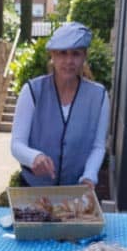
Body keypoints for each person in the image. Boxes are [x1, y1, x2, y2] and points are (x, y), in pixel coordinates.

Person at [10, 21, 109, 189]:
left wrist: (89, 176)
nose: (69, 60)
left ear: (84, 56)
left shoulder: (99, 96)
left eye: (76, 54)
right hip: (34, 189)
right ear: (53, 56)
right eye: (63, 53)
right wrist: (34, 157)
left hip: (76, 191)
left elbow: (98, 146)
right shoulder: (32, 91)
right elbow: (17, 144)